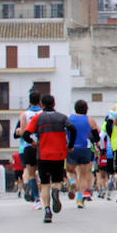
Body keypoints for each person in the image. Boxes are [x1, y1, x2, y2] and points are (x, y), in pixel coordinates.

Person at [23, 95, 77, 224]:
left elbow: (25, 134)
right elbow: (73, 129)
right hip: (59, 154)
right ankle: (56, 191)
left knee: (45, 183)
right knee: (57, 180)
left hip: (43, 155)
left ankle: (47, 210)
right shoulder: (62, 117)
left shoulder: (38, 118)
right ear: (54, 103)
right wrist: (70, 146)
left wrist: (33, 142)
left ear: (41, 104)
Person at [66, 100, 97, 207]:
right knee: (83, 175)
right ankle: (79, 199)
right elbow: (96, 137)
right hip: (85, 149)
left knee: (70, 170)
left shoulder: (69, 118)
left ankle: (72, 180)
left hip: (72, 148)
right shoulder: (90, 120)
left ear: (75, 108)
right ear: (86, 109)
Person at [15, 90, 43, 207]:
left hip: (29, 145)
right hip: (42, 145)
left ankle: (37, 199)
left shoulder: (24, 114)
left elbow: (22, 131)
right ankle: (46, 192)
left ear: (30, 101)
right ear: (40, 101)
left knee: (31, 174)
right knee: (43, 173)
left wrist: (18, 131)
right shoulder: (43, 113)